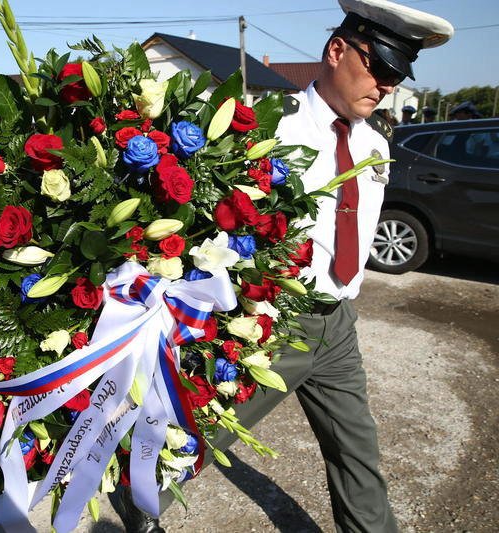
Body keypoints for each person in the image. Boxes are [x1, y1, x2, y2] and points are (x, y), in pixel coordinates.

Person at [112, 1, 453, 532]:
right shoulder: (270, 130)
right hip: (275, 324)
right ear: (337, 50)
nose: (387, 85)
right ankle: (139, 489)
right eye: (381, 69)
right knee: (206, 429)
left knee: (356, 450)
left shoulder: (375, 146)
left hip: (338, 324)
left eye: (397, 75)